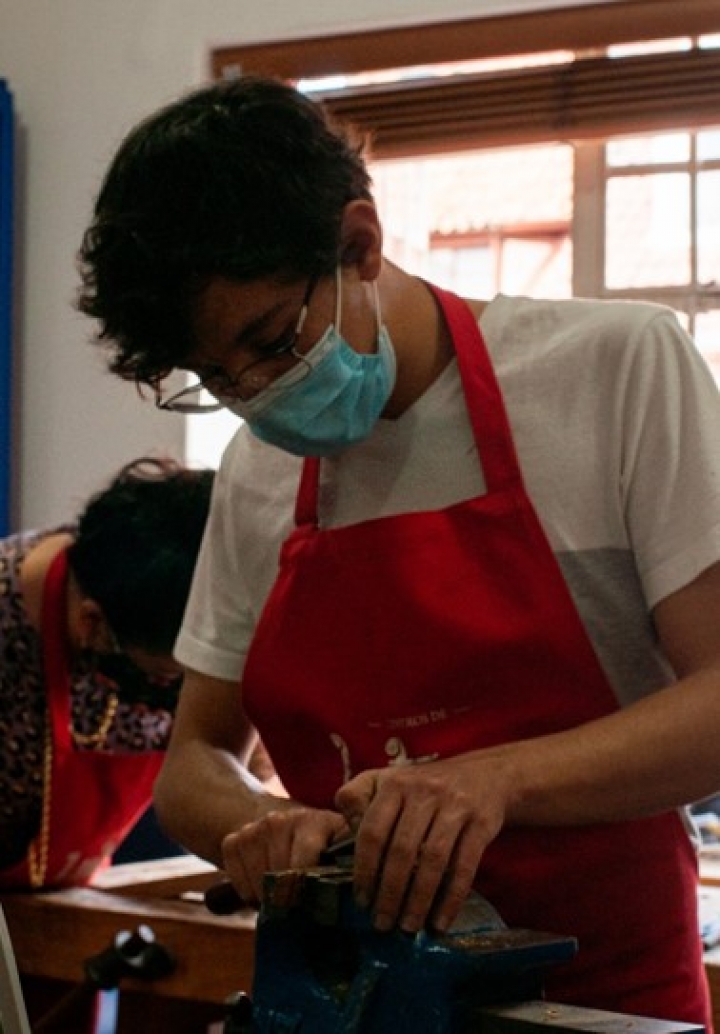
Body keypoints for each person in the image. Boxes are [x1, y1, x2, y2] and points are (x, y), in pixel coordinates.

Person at [76, 76, 720, 1026]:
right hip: (355, 1001)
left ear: (360, 244)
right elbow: (196, 760)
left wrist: (493, 780)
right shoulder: (258, 473)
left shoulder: (614, 371)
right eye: (216, 376)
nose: (254, 395)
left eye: (271, 342)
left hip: (603, 999)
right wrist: (261, 822)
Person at [0, 456, 214, 889]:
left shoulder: (177, 596)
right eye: (164, 679)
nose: (170, 697)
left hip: (81, 895)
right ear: (92, 624)